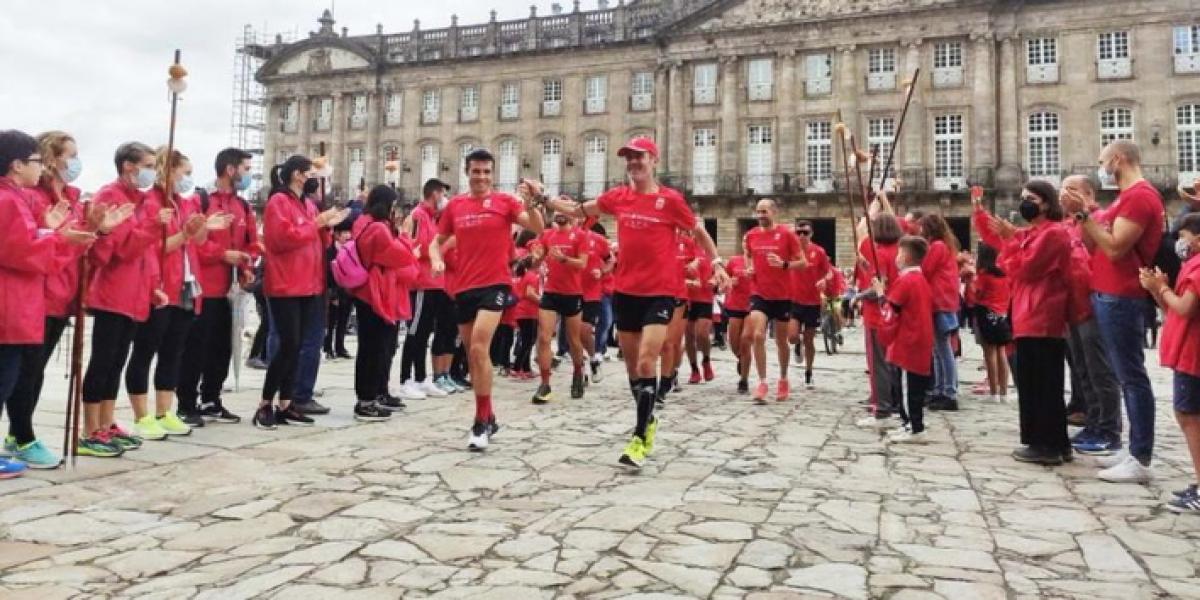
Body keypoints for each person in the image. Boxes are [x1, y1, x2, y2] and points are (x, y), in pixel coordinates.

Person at [547, 137, 727, 468]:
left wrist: (716, 262)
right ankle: (647, 420)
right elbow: (578, 210)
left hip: (660, 292)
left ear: (653, 160)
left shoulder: (670, 201)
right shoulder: (618, 197)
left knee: (647, 362)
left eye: (639, 157)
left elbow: (698, 231)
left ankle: (639, 437)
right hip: (627, 292)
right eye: (628, 158)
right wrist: (544, 198)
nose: (633, 163)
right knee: (633, 370)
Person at [435, 148, 545, 451]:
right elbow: (439, 240)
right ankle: (489, 413)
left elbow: (536, 226)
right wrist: (436, 258)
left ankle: (480, 421)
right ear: (467, 172)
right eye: (476, 171)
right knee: (474, 356)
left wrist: (534, 202)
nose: (481, 177)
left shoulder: (505, 202)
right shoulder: (455, 206)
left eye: (486, 172)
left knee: (479, 346)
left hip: (495, 284)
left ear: (492, 174)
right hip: (464, 287)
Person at [0, 130, 95, 474]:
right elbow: (23, 251)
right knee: (8, 376)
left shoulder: (15, 198)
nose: (39, 167)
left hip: (27, 301)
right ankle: (19, 437)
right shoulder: (8, 200)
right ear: (16, 165)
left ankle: (17, 439)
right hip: (13, 303)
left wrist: (56, 234)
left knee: (12, 375)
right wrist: (58, 237)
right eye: (36, 161)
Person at [1079, 140, 1165, 483]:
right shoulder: (1123, 198)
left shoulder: (1140, 197)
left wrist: (1086, 216)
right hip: (1108, 293)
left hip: (1122, 294)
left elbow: (1115, 248)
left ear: (1119, 159)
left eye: (1103, 162)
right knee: (1122, 374)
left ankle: (1141, 457)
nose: (1101, 168)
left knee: (1131, 377)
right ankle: (1132, 449)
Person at [82, 142, 170, 456]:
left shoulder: (142, 199)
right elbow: (119, 250)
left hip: (134, 293)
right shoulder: (111, 196)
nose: (151, 171)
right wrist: (151, 225)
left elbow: (146, 255)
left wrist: (152, 287)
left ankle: (106, 422)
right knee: (103, 361)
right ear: (128, 166)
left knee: (117, 362)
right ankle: (89, 428)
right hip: (112, 291)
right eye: (147, 164)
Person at [124, 148, 213, 440]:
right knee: (145, 350)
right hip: (161, 283)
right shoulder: (151, 202)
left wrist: (200, 227)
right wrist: (186, 234)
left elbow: (196, 240)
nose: (188, 179)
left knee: (173, 353)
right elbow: (157, 246)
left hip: (186, 283)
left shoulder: (185, 202)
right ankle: (141, 415)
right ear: (168, 170)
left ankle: (165, 410)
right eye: (184, 173)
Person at [257, 154, 349, 430]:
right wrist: (317, 224)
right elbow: (281, 239)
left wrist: (327, 225)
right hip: (286, 283)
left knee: (296, 345)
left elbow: (317, 239)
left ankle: (287, 402)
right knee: (287, 344)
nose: (314, 178)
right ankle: (265, 402)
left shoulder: (307, 204)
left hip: (309, 282)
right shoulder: (279, 202)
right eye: (310, 172)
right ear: (297, 174)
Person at [985, 180, 1073, 464]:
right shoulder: (1037, 233)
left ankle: (1045, 444)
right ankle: (1056, 442)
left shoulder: (1053, 233)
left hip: (1042, 313)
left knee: (1041, 383)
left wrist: (1011, 242)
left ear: (1046, 202)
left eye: (1031, 198)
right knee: (1038, 382)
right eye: (1023, 197)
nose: (1025, 202)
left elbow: (1024, 268)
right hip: (1029, 312)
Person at [176, 147, 257, 424]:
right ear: (230, 169)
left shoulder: (242, 205)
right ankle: (186, 402)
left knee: (223, 347)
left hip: (229, 289)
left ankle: (211, 397)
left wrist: (246, 266)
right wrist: (221, 255)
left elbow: (251, 241)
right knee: (196, 347)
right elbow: (193, 240)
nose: (249, 175)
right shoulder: (201, 199)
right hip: (203, 286)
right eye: (246, 169)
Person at [1140, 213, 1200, 513]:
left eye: (1183, 236)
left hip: (1194, 354)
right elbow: (1173, 310)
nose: (1179, 242)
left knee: (1190, 416)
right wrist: (1157, 288)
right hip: (1186, 352)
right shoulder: (1191, 266)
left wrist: (1160, 288)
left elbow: (1186, 308)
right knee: (1187, 415)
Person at [1059, 175, 1122, 455]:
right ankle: (1092, 420)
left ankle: (1109, 428)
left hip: (1092, 302)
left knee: (1100, 369)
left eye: (1071, 190)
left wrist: (1083, 211)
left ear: (1088, 194)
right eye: (1062, 190)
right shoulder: (1068, 223)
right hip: (1073, 306)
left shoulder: (1099, 217)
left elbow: (1092, 246)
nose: (1064, 195)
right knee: (1082, 369)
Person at [349, 185, 417, 421]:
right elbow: (401, 255)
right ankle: (366, 399)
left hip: (378, 294)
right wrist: (406, 236)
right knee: (372, 347)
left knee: (380, 347)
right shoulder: (377, 228)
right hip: (373, 294)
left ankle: (375, 393)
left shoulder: (378, 227)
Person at [740, 199, 806, 403]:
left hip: (783, 294)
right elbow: (747, 254)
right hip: (759, 292)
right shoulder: (751, 235)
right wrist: (749, 267)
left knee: (781, 341)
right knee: (757, 335)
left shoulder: (787, 234)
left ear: (774, 212)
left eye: (764, 211)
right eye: (758, 211)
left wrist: (784, 264)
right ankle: (762, 382)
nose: (760, 215)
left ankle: (784, 379)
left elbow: (803, 263)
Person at [872, 235, 934, 443]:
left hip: (909, 340)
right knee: (912, 387)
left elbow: (890, 310)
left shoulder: (906, 281)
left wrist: (880, 293)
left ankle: (915, 428)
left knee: (908, 388)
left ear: (906, 256)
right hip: (918, 338)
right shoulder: (920, 279)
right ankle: (909, 424)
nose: (897, 257)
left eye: (899, 253)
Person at [399, 178, 457, 399]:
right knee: (415, 332)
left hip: (434, 283)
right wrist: (442, 247)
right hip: (422, 282)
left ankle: (422, 378)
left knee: (424, 333)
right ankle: (406, 379)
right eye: (442, 193)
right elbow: (416, 245)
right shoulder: (418, 216)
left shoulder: (433, 218)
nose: (444, 198)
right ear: (435, 194)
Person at [530, 210, 589, 404]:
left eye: (563, 213)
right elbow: (538, 259)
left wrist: (564, 258)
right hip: (551, 292)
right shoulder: (548, 235)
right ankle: (545, 383)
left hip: (572, 293)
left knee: (573, 340)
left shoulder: (580, 236)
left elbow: (582, 264)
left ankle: (578, 373)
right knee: (544, 337)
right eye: (556, 213)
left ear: (571, 216)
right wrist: (537, 256)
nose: (559, 216)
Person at [855, 213, 903, 427]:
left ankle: (883, 408)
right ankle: (894, 403)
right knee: (892, 363)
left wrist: (858, 296)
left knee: (879, 364)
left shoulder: (880, 254)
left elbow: (878, 290)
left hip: (877, 315)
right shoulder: (899, 252)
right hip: (896, 313)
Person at [918, 213, 962, 411]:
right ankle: (939, 390)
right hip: (942, 301)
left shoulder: (937, 247)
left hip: (940, 302)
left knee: (943, 350)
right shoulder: (944, 246)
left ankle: (949, 391)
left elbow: (925, 269)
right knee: (938, 350)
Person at [789, 220, 833, 389]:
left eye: (805, 233)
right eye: (798, 232)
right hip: (794, 300)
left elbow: (828, 272)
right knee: (792, 337)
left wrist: (823, 280)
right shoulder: (791, 251)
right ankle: (797, 345)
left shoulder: (819, 252)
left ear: (811, 234)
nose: (801, 235)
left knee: (809, 340)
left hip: (812, 301)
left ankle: (808, 373)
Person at [964, 242, 1010, 402]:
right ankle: (1004, 392)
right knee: (1002, 352)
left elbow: (975, 295)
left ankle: (994, 392)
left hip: (986, 313)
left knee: (989, 353)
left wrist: (970, 281)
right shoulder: (1003, 274)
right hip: (1002, 314)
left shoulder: (984, 275)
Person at [581, 224, 613, 382]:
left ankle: (593, 358)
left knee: (584, 330)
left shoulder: (598, 239)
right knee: (572, 333)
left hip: (591, 292)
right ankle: (579, 370)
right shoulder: (558, 236)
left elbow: (610, 261)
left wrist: (602, 271)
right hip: (569, 290)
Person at [684, 234, 716, 384]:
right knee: (689, 336)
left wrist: (714, 280)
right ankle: (694, 369)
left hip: (705, 298)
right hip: (687, 297)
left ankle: (706, 360)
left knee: (702, 334)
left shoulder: (710, 252)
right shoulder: (685, 249)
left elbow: (718, 274)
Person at [723, 253, 753, 393]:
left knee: (746, 340)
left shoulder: (761, 260)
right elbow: (725, 279)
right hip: (735, 304)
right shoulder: (734, 260)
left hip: (754, 305)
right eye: (745, 242)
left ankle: (744, 380)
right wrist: (729, 281)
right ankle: (741, 358)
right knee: (734, 343)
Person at [323, 228, 354, 360]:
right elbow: (328, 273)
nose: (348, 235)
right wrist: (333, 294)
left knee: (343, 320)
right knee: (331, 321)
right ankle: (328, 347)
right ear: (337, 235)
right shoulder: (330, 251)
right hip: (335, 290)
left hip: (348, 290)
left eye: (349, 232)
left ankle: (340, 346)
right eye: (344, 232)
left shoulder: (351, 250)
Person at [511, 250, 541, 379]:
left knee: (528, 340)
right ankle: (518, 367)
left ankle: (526, 367)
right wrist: (542, 301)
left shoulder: (526, 275)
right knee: (528, 341)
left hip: (525, 312)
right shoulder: (532, 276)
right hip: (527, 312)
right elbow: (530, 293)